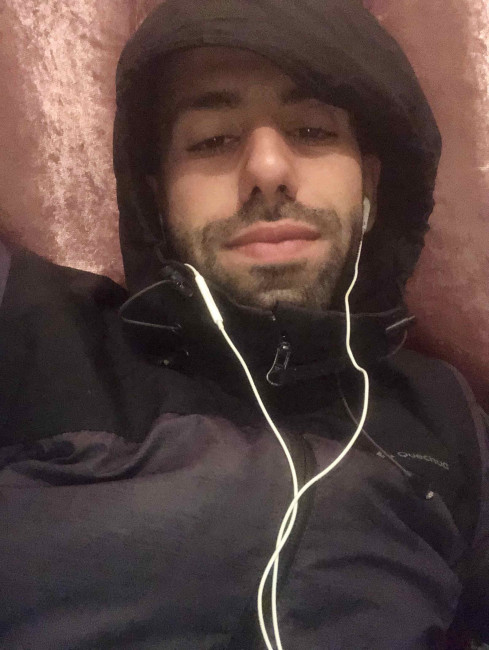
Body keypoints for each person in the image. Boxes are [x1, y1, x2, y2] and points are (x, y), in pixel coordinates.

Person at [0, 0, 488, 648]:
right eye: (212, 140)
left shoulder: (443, 412)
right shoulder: (35, 327)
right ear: (156, 197)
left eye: (311, 130)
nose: (267, 171)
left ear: (369, 184)